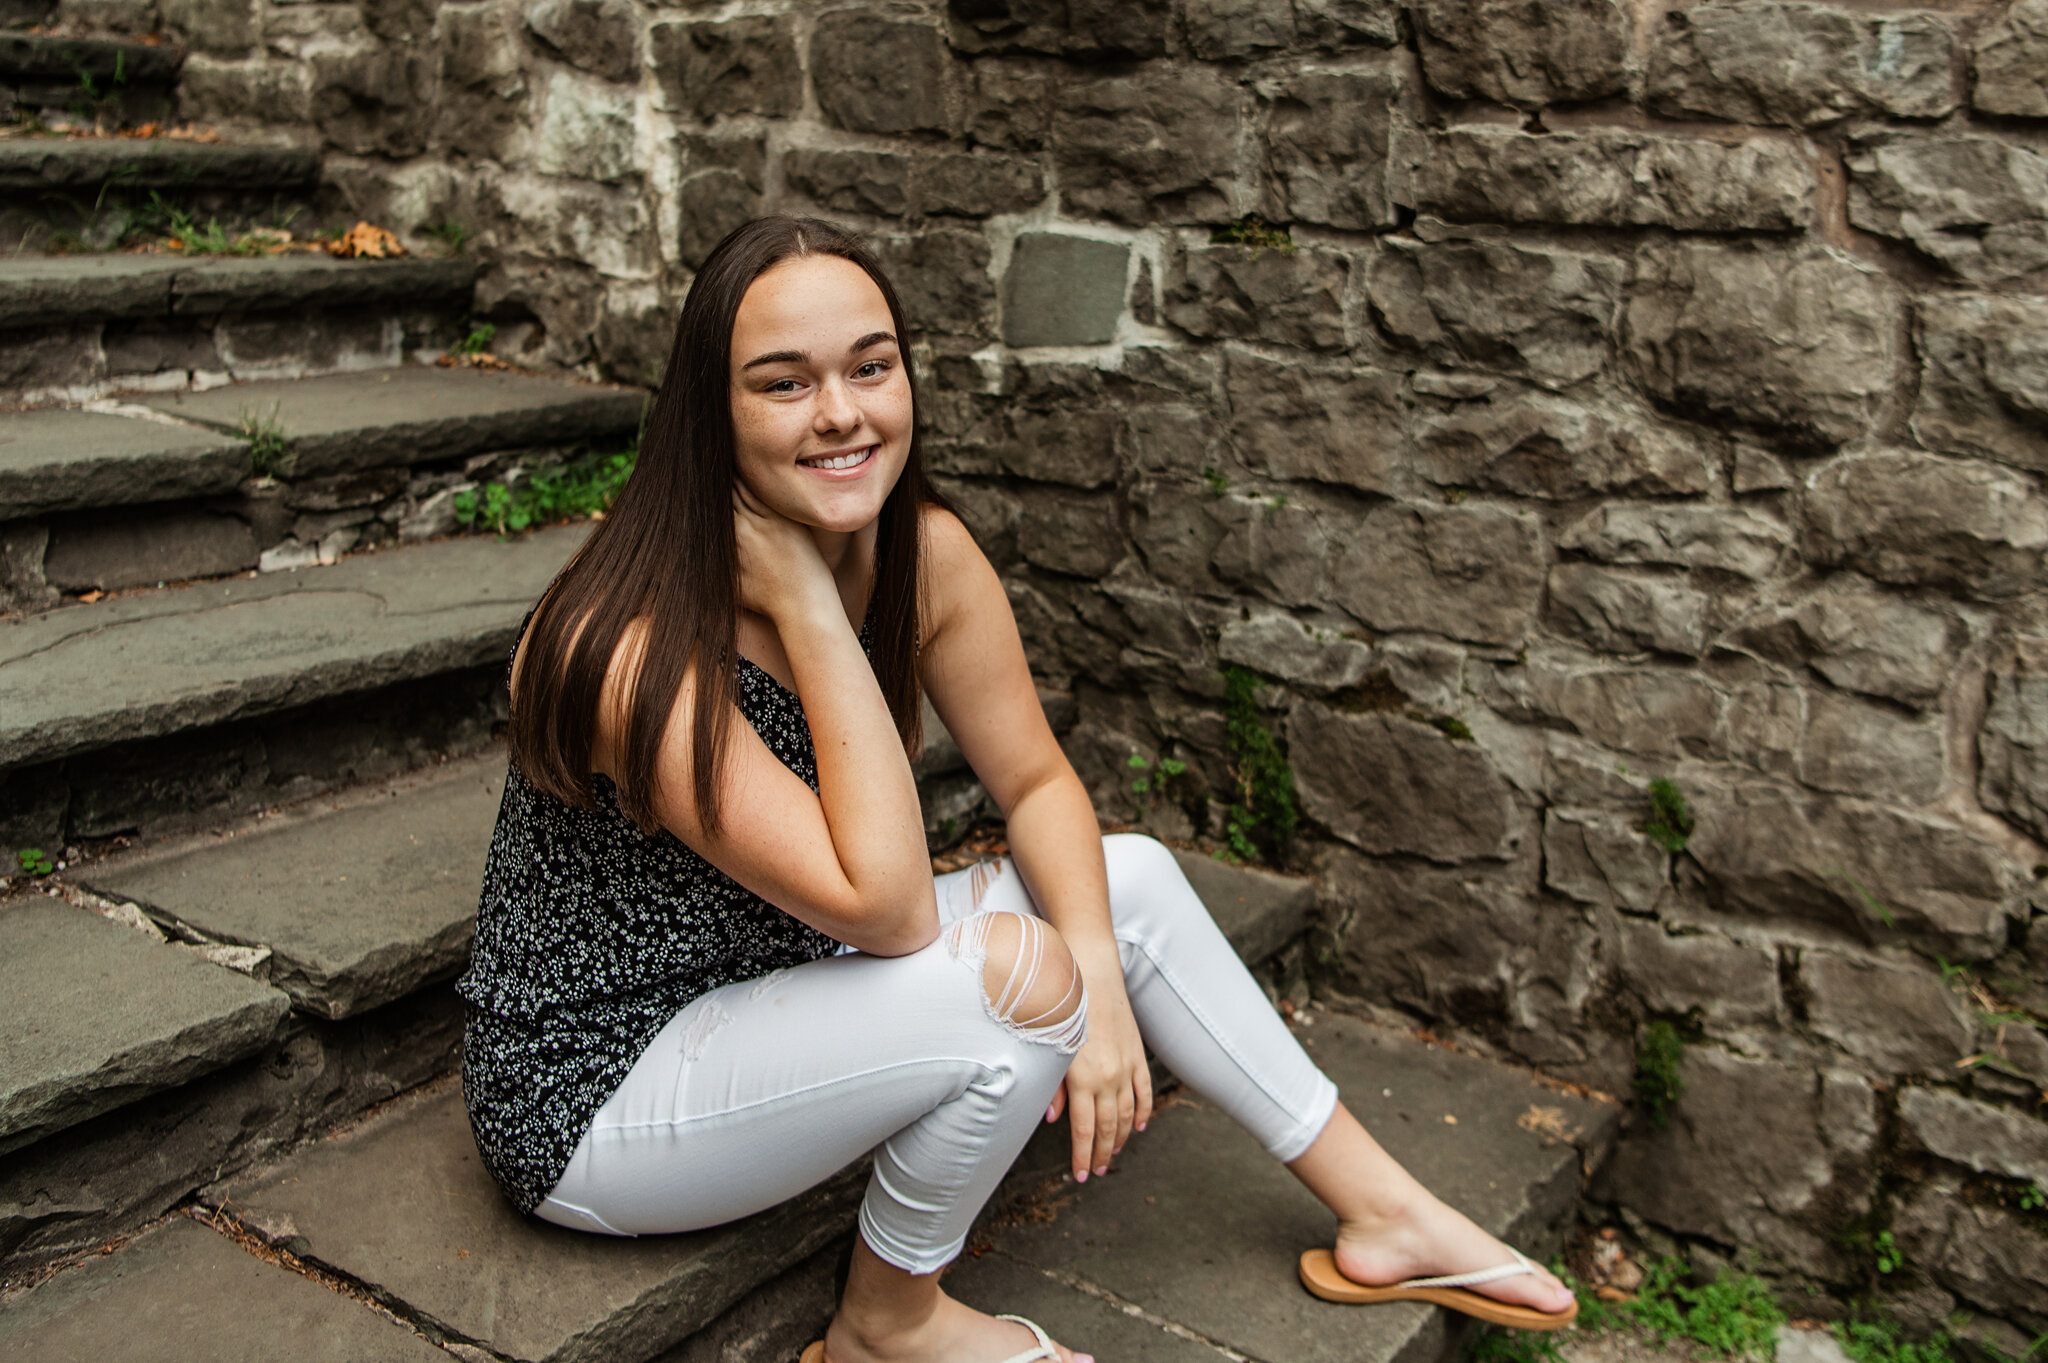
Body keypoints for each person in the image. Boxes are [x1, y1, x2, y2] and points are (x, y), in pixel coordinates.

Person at [457, 215, 1578, 1363]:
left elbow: (1038, 782)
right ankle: (885, 1325)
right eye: (783, 382)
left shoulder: (917, 552)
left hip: (776, 976)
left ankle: (1383, 1208)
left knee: (1118, 880)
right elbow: (888, 907)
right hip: (601, 1092)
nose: (840, 412)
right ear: (710, 414)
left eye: (870, 366)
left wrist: (1098, 966)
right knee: (1014, 983)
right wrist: (800, 602)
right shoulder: (626, 646)